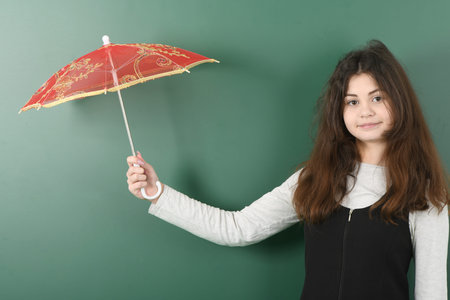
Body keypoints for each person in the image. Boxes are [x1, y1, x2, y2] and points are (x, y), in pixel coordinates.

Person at [126, 40, 449, 300]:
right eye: (352, 101)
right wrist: (157, 193)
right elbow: (237, 228)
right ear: (339, 111)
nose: (365, 111)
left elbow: (431, 291)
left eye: (377, 98)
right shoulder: (314, 178)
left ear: (399, 103)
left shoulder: (426, 193)